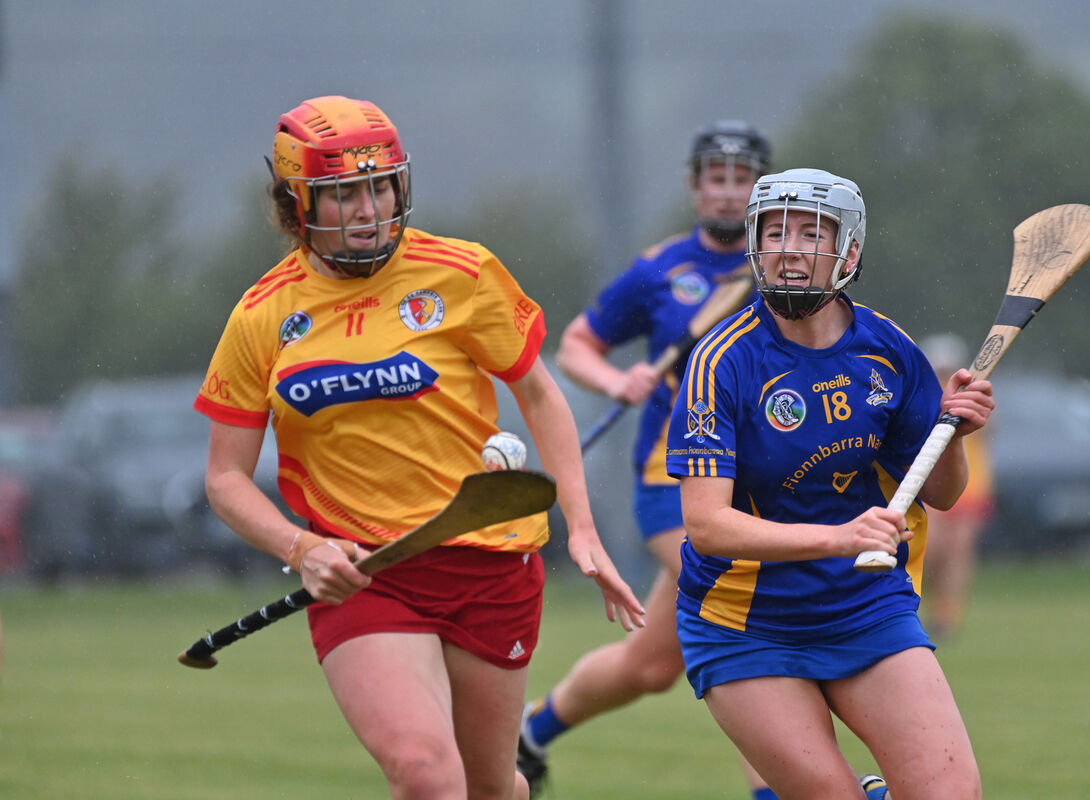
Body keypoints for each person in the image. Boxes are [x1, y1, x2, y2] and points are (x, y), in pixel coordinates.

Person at [194, 95, 645, 800]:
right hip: (367, 576)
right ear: (295, 202)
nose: (369, 208)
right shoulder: (261, 316)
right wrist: (300, 547)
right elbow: (224, 478)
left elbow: (541, 397)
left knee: (492, 787)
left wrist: (582, 528)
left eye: (380, 186)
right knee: (428, 776)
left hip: (490, 567)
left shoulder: (461, 273)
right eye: (343, 194)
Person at [665, 168, 993, 800]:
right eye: (774, 231)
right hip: (744, 624)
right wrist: (838, 538)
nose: (789, 247)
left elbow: (944, 494)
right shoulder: (720, 362)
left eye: (812, 232)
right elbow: (707, 526)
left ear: (849, 252)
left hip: (864, 606)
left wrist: (953, 431)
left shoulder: (888, 350)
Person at [518, 121, 779, 799]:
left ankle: (531, 733)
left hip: (760, 487)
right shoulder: (661, 270)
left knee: (651, 664)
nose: (728, 194)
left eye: (742, 180)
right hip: (674, 482)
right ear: (695, 188)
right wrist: (616, 382)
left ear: (762, 188)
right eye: (715, 180)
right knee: (752, 613)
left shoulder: (789, 266)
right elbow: (576, 344)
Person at [919, 333, 995, 640]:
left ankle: (947, 615)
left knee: (958, 552)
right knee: (932, 550)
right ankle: (917, 605)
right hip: (932, 481)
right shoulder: (923, 396)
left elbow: (989, 433)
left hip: (973, 484)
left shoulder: (969, 393)